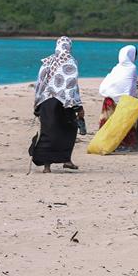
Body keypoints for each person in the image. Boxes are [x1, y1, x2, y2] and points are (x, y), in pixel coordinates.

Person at [30, 36, 82, 173]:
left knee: (48, 133)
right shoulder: (71, 62)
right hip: (64, 103)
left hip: (46, 101)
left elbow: (40, 83)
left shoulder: (48, 61)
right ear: (69, 47)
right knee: (68, 130)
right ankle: (66, 159)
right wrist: (77, 106)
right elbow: (72, 86)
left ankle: (48, 167)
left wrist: (37, 104)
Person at [97, 44, 138, 149]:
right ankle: (125, 144)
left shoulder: (117, 67)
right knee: (126, 123)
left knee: (108, 123)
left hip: (109, 99)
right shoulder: (132, 68)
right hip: (123, 102)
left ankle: (105, 143)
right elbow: (131, 86)